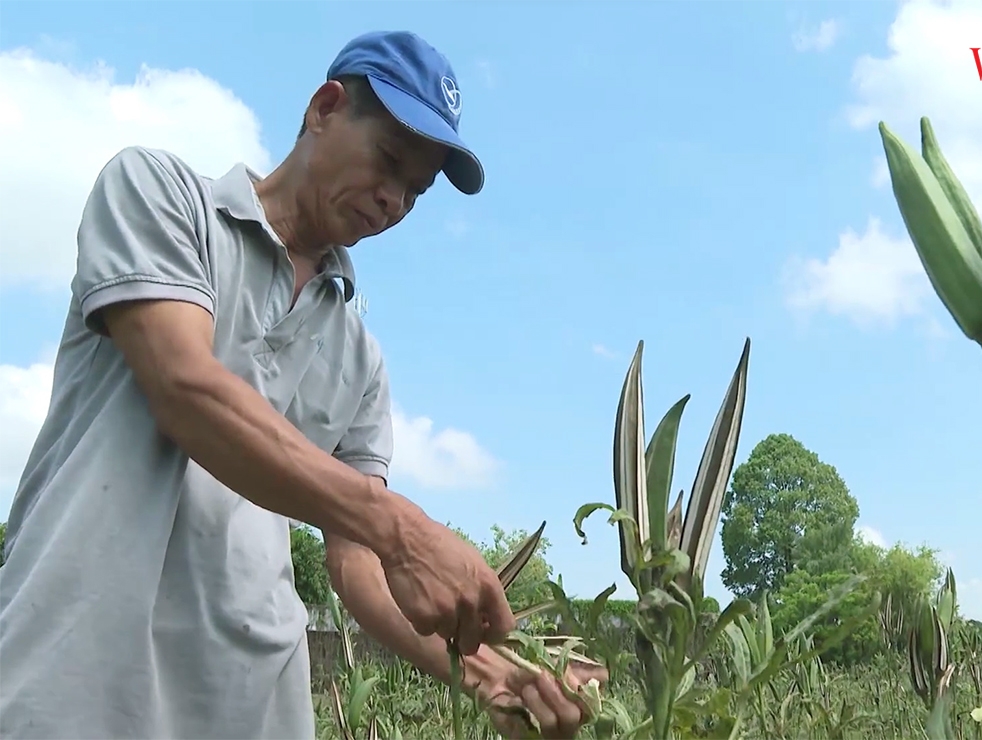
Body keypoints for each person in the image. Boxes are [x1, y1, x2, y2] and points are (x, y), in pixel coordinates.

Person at [0, 30, 606, 740]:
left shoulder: (360, 361)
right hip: (77, 677)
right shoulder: (160, 198)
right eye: (388, 162)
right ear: (324, 108)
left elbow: (356, 566)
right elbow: (185, 390)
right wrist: (404, 529)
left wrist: (493, 676)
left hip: (252, 706)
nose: (394, 201)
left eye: (414, 190)